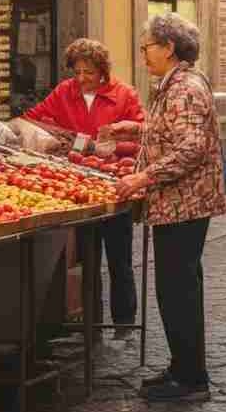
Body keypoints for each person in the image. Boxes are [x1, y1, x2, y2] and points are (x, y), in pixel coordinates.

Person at [112, 12, 226, 402]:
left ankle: (192, 379)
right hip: (177, 203)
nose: (142, 53)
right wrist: (138, 130)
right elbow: (176, 132)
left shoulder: (185, 88)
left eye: (147, 46)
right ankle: (183, 368)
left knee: (178, 291)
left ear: (169, 47)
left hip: (184, 203)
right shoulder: (173, 85)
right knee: (176, 289)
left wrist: (142, 178)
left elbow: (191, 147)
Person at [25, 38, 144, 339]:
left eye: (88, 72)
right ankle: (92, 324)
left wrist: (116, 147)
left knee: (119, 258)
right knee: (88, 259)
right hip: (79, 186)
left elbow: (144, 139)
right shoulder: (65, 92)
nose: (81, 79)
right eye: (77, 72)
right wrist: (43, 138)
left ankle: (124, 324)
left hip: (116, 185)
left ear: (102, 70)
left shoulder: (124, 95)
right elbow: (34, 118)